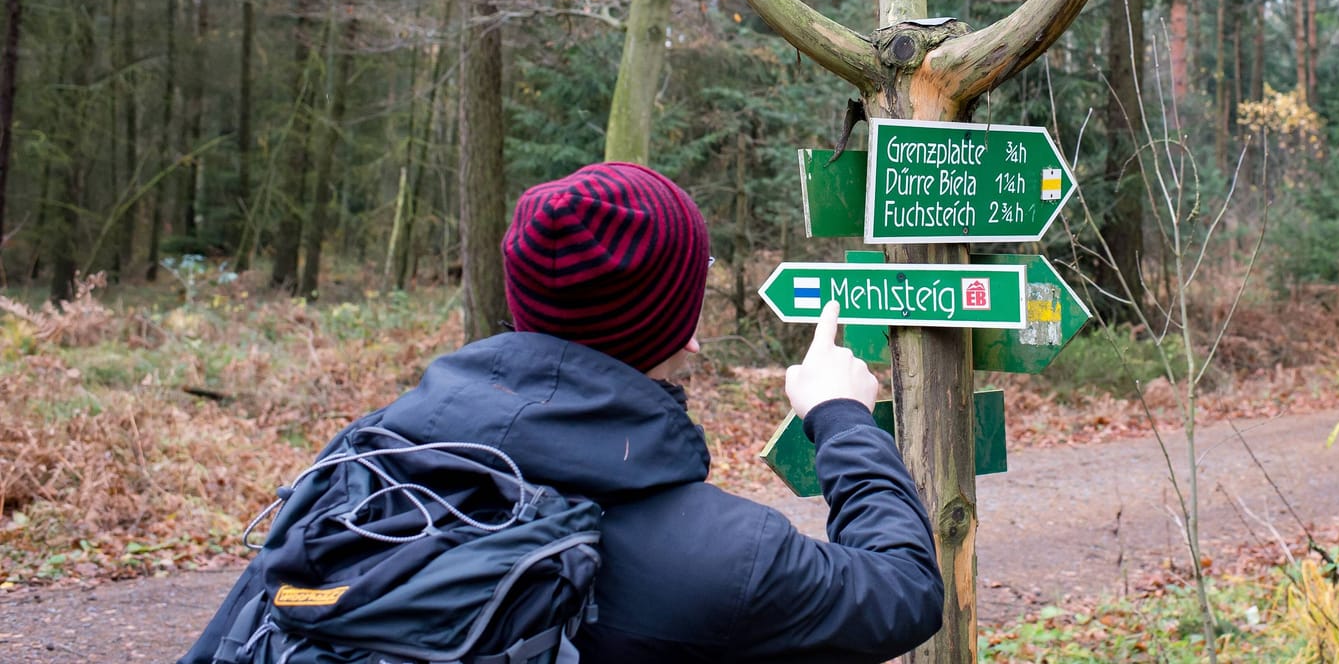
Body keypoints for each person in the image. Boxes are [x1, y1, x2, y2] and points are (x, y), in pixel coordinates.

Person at [181, 162, 944, 663]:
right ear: (675, 325)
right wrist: (841, 416)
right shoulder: (727, 558)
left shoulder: (368, 464)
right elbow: (905, 591)